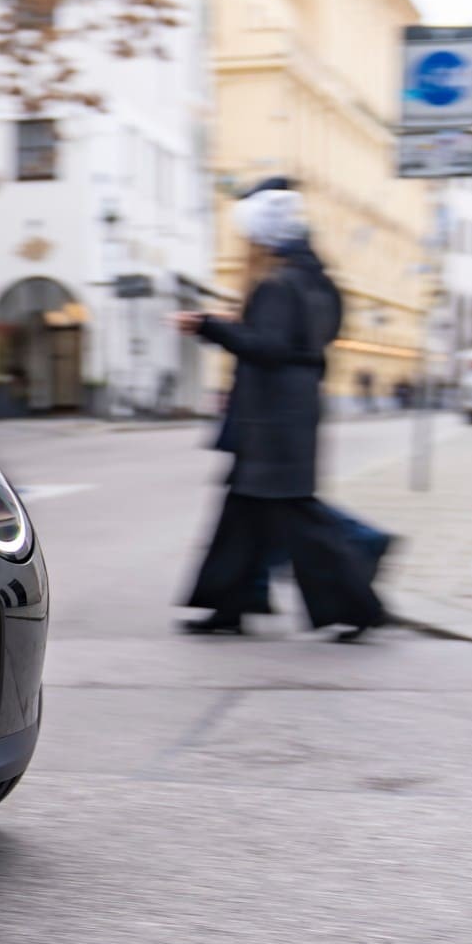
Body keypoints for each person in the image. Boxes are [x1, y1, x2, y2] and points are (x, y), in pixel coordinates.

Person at [174, 182, 386, 642]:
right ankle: (229, 606)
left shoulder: (277, 283)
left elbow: (268, 347)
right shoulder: (317, 281)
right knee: (244, 516)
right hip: (291, 410)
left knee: (297, 517)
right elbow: (305, 340)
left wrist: (210, 326)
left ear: (262, 237)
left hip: (271, 418)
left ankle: (358, 604)